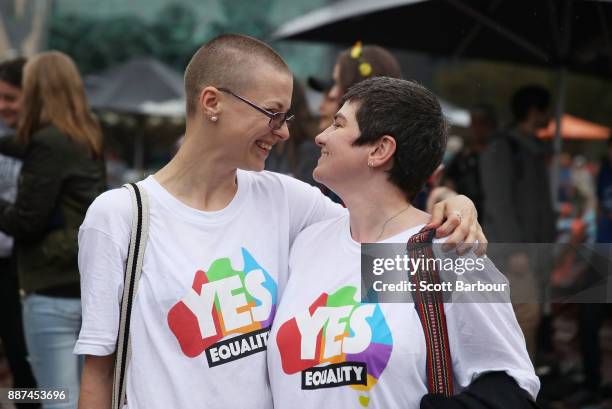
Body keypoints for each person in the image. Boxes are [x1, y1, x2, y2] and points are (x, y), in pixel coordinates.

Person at [75, 34, 484, 409]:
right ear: (212, 102)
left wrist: (453, 202)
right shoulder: (120, 217)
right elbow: (98, 371)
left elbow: (385, 222)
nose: (283, 133)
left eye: (286, 117)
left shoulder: (287, 200)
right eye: (272, 114)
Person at [267, 76, 538, 409]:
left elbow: (511, 387)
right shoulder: (309, 238)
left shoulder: (446, 253)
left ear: (380, 150)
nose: (321, 136)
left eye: (338, 124)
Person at [0, 51, 106, 409]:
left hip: (49, 289)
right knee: (83, 398)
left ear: (36, 91)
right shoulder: (86, 135)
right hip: (85, 286)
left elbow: (26, 223)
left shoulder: (48, 142)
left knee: (56, 398)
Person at [479, 85, 557, 359]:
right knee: (521, 322)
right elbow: (499, 201)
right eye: (547, 110)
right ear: (535, 111)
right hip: (515, 256)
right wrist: (516, 250)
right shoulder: (505, 147)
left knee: (526, 323)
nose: (551, 116)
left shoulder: (528, 147)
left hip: (530, 254)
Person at [0, 57, 40, 408]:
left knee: (24, 359)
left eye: (10, 97)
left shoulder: (47, 143)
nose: (2, 106)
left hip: (27, 270)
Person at [444, 104, 497, 220]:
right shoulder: (462, 157)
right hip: (468, 215)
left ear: (492, 125)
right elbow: (449, 183)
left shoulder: (501, 156)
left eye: (482, 123)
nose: (476, 128)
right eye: (474, 123)